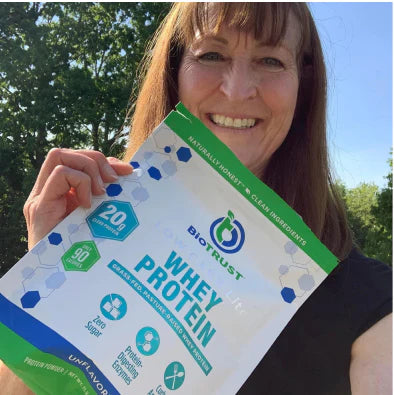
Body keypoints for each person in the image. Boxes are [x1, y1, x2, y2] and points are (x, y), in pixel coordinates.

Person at [0, 3, 391, 394]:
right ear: (175, 71)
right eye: (212, 55)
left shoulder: (373, 310)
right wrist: (49, 260)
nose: (237, 90)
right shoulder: (101, 227)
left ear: (303, 84)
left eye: (270, 60)